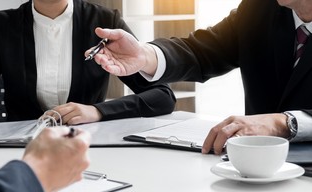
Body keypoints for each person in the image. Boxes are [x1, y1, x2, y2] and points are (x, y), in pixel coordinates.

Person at [0, 0, 176, 142]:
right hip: (22, 155)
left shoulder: (105, 24)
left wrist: (97, 111)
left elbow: (162, 96)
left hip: (89, 150)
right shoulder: (1, 27)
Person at [88, 0, 312, 154]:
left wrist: (285, 122)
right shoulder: (259, 8)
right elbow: (202, 51)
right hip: (256, 169)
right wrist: (144, 55)